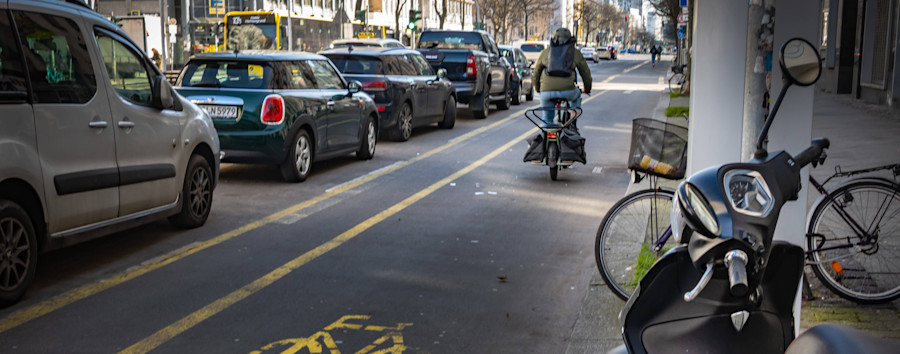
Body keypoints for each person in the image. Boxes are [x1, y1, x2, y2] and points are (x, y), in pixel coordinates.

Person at [533, 28, 592, 128]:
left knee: (547, 118)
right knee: (577, 95)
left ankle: (545, 139)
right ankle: (573, 121)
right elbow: (585, 73)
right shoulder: (575, 52)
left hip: (546, 92)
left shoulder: (546, 52)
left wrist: (538, 89)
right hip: (568, 91)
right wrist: (587, 88)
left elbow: (536, 72)